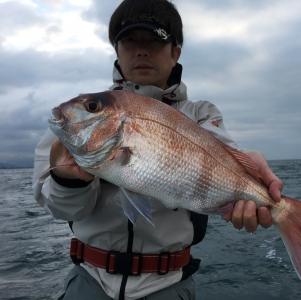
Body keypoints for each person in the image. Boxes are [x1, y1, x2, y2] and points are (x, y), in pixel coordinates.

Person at [32, 0, 283, 299]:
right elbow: (60, 209)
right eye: (129, 40)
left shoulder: (201, 112)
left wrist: (248, 175)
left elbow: (223, 150)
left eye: (156, 39)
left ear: (175, 52)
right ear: (116, 50)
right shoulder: (78, 124)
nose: (141, 50)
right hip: (88, 279)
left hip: (168, 285)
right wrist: (67, 181)